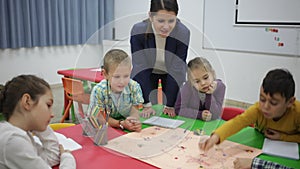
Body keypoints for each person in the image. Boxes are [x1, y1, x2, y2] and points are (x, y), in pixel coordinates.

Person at [199, 68, 300, 152]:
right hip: (259, 144)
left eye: (273, 103)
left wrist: (282, 137)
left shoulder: (297, 113)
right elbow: (237, 123)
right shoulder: (258, 109)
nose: (265, 106)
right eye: (262, 99)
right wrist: (216, 137)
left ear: (290, 102)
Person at [0, 75, 76, 169]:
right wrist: (68, 159)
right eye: (48, 105)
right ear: (27, 101)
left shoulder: (20, 134)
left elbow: (50, 158)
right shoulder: (12, 141)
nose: (52, 114)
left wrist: (38, 125)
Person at [130, 0, 190, 118]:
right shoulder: (138, 31)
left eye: (171, 21)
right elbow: (140, 67)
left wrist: (170, 105)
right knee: (150, 112)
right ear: (151, 16)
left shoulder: (183, 32)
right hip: (147, 72)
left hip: (172, 74)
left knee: (169, 112)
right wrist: (147, 103)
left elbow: (177, 68)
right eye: (161, 21)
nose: (166, 27)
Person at [89, 49, 143, 132]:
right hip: (100, 128)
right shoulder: (99, 90)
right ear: (105, 74)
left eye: (126, 76)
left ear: (130, 71)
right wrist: (120, 123)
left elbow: (135, 110)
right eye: (117, 77)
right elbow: (99, 117)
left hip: (122, 126)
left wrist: (133, 122)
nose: (122, 81)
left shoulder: (134, 87)